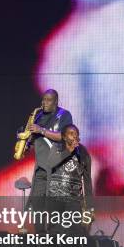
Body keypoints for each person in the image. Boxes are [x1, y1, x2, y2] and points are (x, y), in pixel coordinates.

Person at [26, 89, 73, 232]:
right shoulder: (38, 116)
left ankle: (54, 242)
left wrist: (41, 130)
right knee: (37, 204)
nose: (44, 103)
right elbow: (34, 140)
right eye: (43, 99)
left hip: (57, 167)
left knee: (54, 207)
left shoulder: (64, 115)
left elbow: (65, 137)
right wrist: (26, 143)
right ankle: (40, 239)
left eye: (48, 100)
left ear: (56, 101)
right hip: (40, 168)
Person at [44, 124, 93, 236]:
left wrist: (90, 206)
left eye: (76, 134)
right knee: (54, 232)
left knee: (74, 232)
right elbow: (50, 163)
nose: (74, 136)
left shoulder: (83, 152)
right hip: (55, 199)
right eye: (71, 134)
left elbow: (87, 180)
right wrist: (68, 151)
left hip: (74, 201)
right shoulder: (57, 147)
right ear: (64, 137)